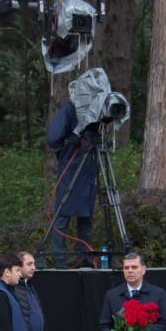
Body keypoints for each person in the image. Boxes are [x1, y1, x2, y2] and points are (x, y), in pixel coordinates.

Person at [46, 101, 99, 264]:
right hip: (72, 163)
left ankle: (85, 258)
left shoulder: (97, 107)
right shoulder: (71, 108)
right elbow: (53, 137)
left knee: (85, 216)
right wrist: (68, 143)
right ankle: (60, 259)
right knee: (63, 213)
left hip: (88, 166)